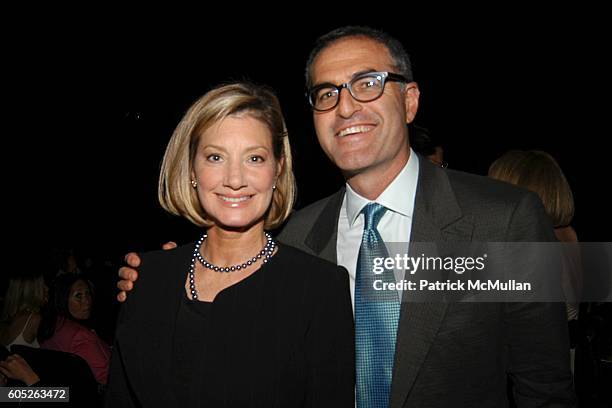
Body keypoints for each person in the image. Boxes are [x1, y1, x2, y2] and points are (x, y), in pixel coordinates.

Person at [118, 27, 575, 407]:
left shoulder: (502, 220)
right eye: (327, 93)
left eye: (368, 83)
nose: (346, 106)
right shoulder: (297, 237)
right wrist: (161, 287)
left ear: (410, 100)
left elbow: (545, 385)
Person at [106, 82, 354, 407]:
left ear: (277, 169)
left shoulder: (319, 288)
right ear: (192, 168)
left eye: (254, 157)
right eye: (215, 157)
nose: (235, 179)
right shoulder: (146, 276)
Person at [39, 273, 111, 385]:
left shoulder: (52, 324)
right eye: (78, 296)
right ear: (62, 298)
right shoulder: (81, 336)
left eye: (88, 294)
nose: (87, 301)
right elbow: (106, 378)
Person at [0, 274, 47, 350]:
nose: (46, 288)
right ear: (34, 291)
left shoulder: (6, 315)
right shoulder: (35, 319)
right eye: (42, 285)